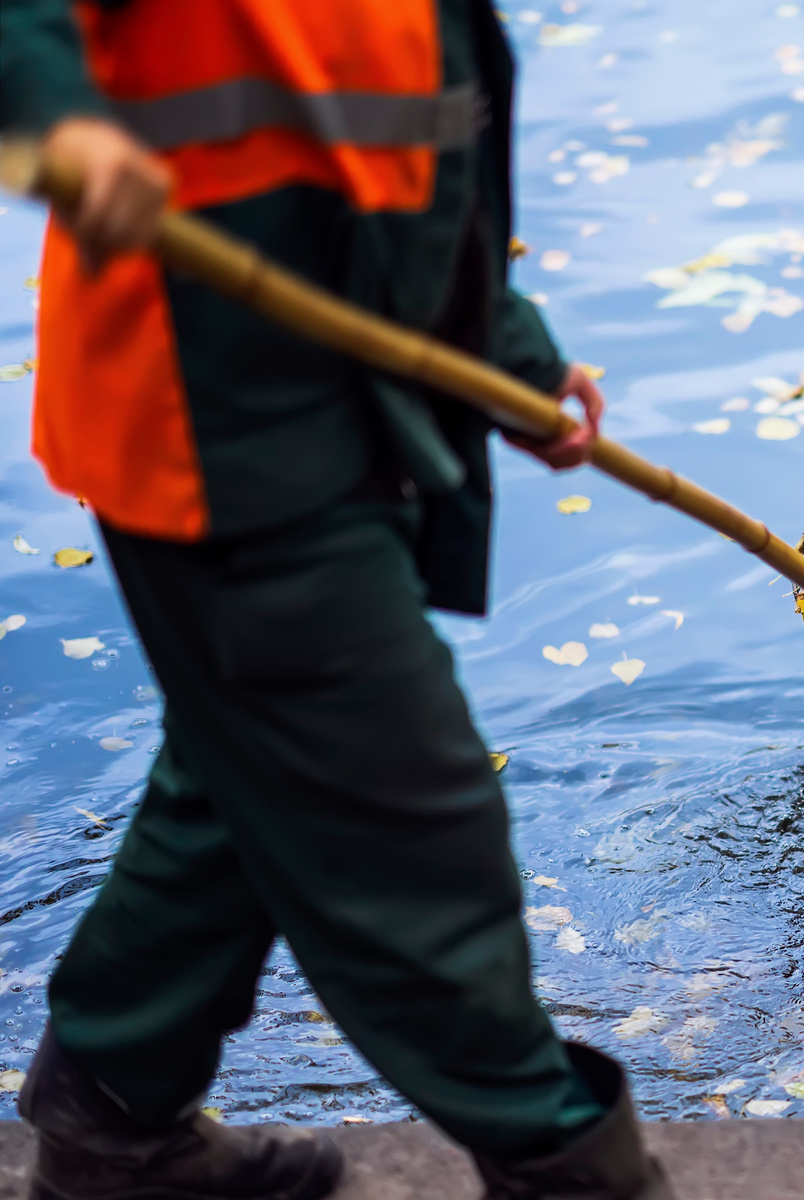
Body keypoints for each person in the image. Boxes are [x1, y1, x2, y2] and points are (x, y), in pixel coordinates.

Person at [0, 2, 672, 1198]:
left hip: (341, 411)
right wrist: (63, 114)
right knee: (411, 825)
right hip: (212, 434)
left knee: (238, 780)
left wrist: (505, 352)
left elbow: (386, 157)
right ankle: (568, 1169)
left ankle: (112, 1122)